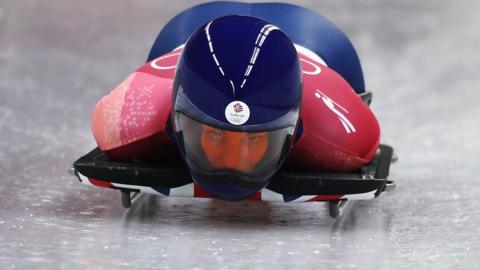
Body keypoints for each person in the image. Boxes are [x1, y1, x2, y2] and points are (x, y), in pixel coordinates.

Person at [91, 3, 380, 200]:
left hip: (316, 39)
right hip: (186, 32)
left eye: (253, 140)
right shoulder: (128, 118)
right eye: (216, 134)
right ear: (176, 121)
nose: (233, 162)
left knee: (349, 76)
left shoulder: (344, 136)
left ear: (294, 130)